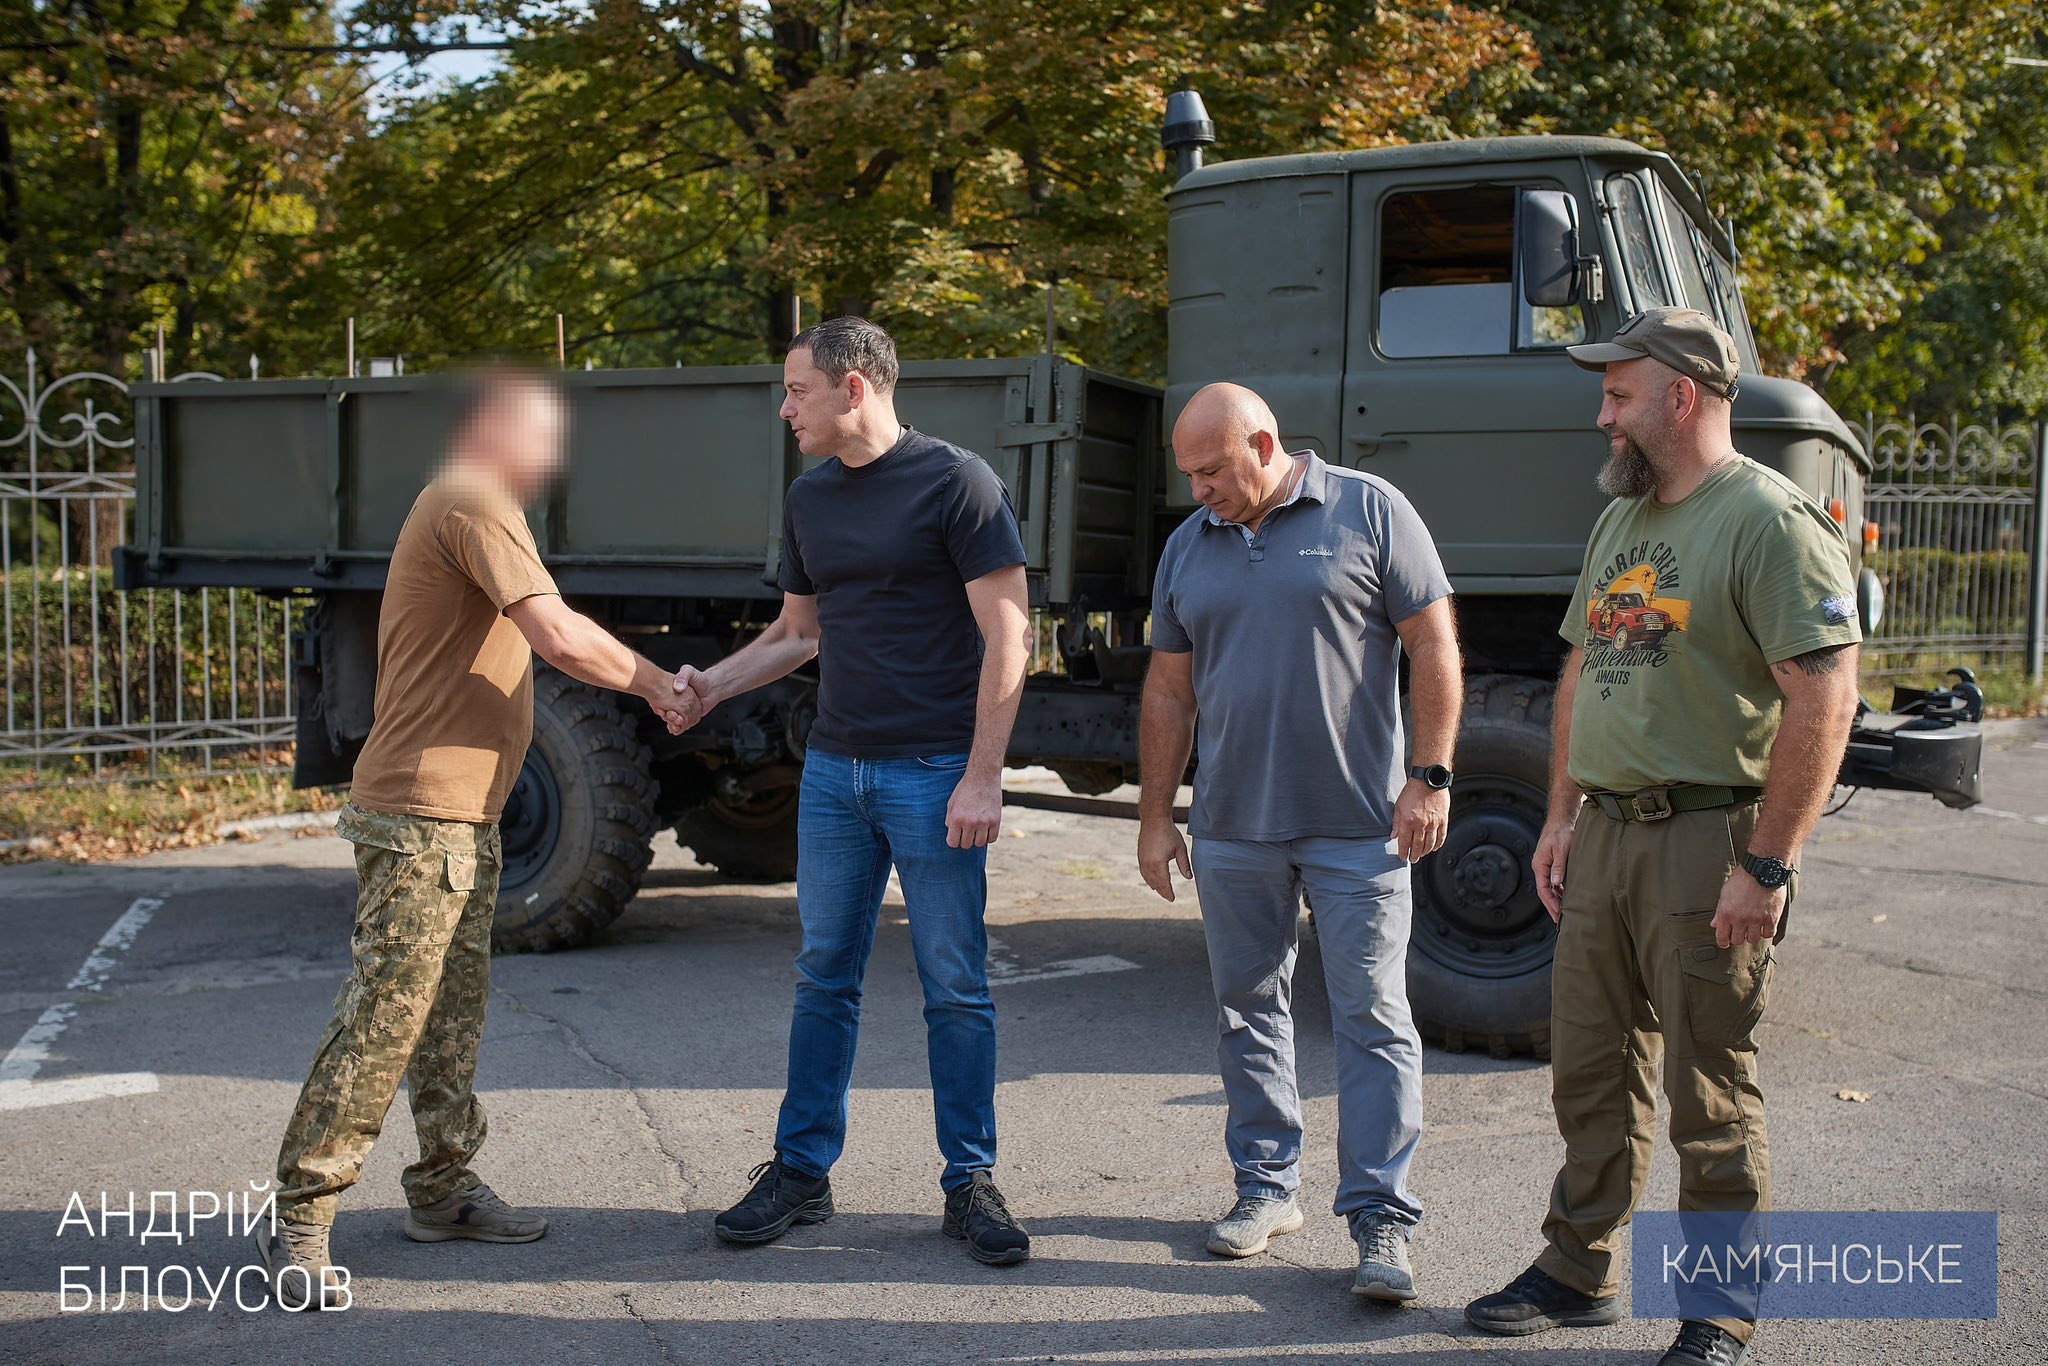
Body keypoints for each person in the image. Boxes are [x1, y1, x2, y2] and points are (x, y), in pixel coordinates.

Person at [1464, 308, 1862, 1366]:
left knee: (1708, 1085)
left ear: (1680, 398)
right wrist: (1560, 813)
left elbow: (1824, 696)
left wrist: (1766, 864)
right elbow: (1580, 669)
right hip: (1605, 833)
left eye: (1618, 396)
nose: (1603, 418)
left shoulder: (1766, 520)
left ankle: (1719, 1308)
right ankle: (1576, 1267)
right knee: (1590, 1069)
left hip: (1706, 835)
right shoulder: (1621, 522)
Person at [259, 369, 699, 1309]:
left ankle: (443, 1189)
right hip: (419, 814)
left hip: (465, 814)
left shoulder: (481, 505)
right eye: (540, 436)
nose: (552, 457)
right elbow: (559, 636)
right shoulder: (471, 499)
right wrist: (660, 685)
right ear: (493, 430)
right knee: (384, 1018)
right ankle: (300, 1213)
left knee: (448, 1017)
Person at [677, 317, 1035, 1266]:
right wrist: (711, 686)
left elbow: (1010, 634)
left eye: (797, 390)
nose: (785, 409)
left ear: (854, 388)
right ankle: (802, 1172)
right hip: (835, 773)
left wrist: (983, 776)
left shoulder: (957, 483)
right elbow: (799, 633)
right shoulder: (811, 498)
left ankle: (970, 1182)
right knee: (824, 976)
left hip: (935, 774)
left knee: (955, 986)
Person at [1136, 382, 1461, 1302]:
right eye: (1188, 475)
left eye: (1211, 470)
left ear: (1264, 444)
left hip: (1360, 825)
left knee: (1373, 1020)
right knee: (1247, 1011)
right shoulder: (1187, 545)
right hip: (1233, 826)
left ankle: (1382, 1218)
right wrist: (1157, 816)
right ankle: (1267, 1189)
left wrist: (1430, 776)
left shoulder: (1370, 509)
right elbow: (1168, 691)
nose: (1199, 490)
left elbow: (1434, 645)